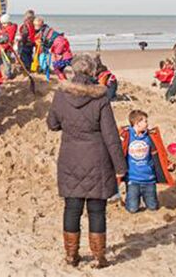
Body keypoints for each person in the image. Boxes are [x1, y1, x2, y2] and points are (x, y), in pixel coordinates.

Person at [47, 54, 127, 268]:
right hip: (97, 158)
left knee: (72, 208)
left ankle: (71, 256)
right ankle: (99, 257)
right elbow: (111, 136)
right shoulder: (100, 98)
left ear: (73, 71)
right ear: (92, 72)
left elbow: (52, 124)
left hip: (70, 157)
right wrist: (120, 167)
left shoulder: (61, 95)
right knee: (97, 210)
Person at [121, 111, 164, 213]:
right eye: (145, 121)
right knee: (132, 209)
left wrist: (168, 164)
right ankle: (127, 201)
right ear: (137, 123)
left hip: (149, 179)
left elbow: (160, 152)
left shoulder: (150, 136)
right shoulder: (126, 136)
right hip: (133, 179)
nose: (147, 123)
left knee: (153, 207)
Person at [0, 14, 18, 79]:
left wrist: (4, 47)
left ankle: (8, 74)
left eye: (4, 24)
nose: (3, 25)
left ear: (8, 22)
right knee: (2, 61)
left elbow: (10, 40)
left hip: (7, 48)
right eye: (2, 24)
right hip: (2, 47)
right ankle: (5, 73)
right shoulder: (4, 28)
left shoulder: (11, 29)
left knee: (6, 61)